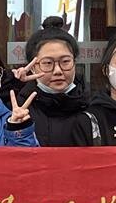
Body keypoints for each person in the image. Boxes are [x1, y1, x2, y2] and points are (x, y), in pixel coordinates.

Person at [8, 17, 100, 147]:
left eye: (65, 61)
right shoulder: (20, 107)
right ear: (33, 67)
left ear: (74, 62)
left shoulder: (92, 107)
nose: (58, 71)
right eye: (47, 63)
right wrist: (15, 81)